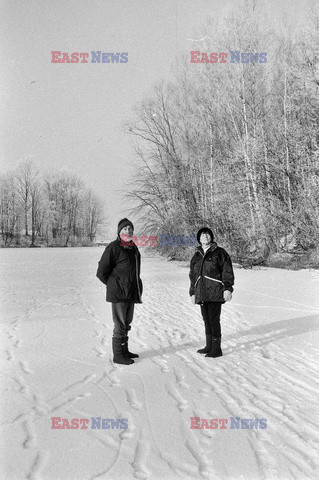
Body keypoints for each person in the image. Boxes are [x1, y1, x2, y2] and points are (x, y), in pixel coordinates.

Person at [96, 218, 142, 365]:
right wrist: (114, 285)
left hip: (131, 291)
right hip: (119, 293)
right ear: (119, 232)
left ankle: (124, 350)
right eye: (124, 229)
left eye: (130, 229)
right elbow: (101, 272)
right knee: (120, 324)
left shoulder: (133, 247)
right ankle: (118, 356)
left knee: (126, 323)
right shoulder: (114, 247)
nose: (127, 231)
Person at [189, 227, 234, 358]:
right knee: (206, 319)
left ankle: (217, 349)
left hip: (215, 291)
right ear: (199, 239)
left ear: (211, 237)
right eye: (202, 235)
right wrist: (192, 292)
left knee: (214, 319)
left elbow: (227, 271)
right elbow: (193, 275)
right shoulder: (196, 255)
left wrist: (228, 288)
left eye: (207, 235)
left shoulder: (220, 253)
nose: (205, 236)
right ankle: (209, 345)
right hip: (202, 292)